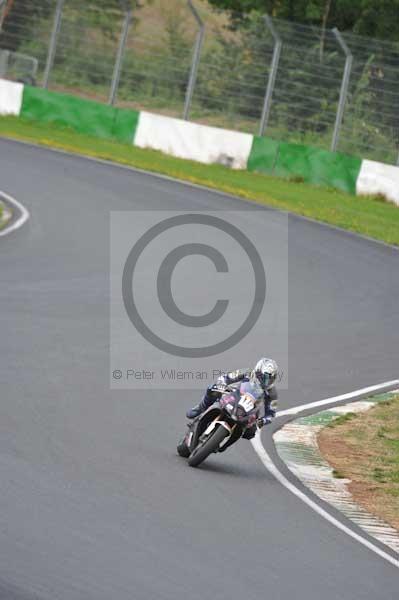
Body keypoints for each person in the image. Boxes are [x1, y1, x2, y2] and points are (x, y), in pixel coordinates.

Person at [186, 358, 279, 439]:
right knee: (212, 389)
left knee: (251, 433)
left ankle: (227, 439)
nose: (266, 381)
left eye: (269, 378)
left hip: (249, 409)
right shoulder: (246, 372)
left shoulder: (272, 392)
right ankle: (200, 408)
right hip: (233, 394)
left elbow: (271, 414)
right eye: (264, 377)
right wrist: (221, 384)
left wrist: (262, 421)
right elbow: (226, 377)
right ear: (257, 371)